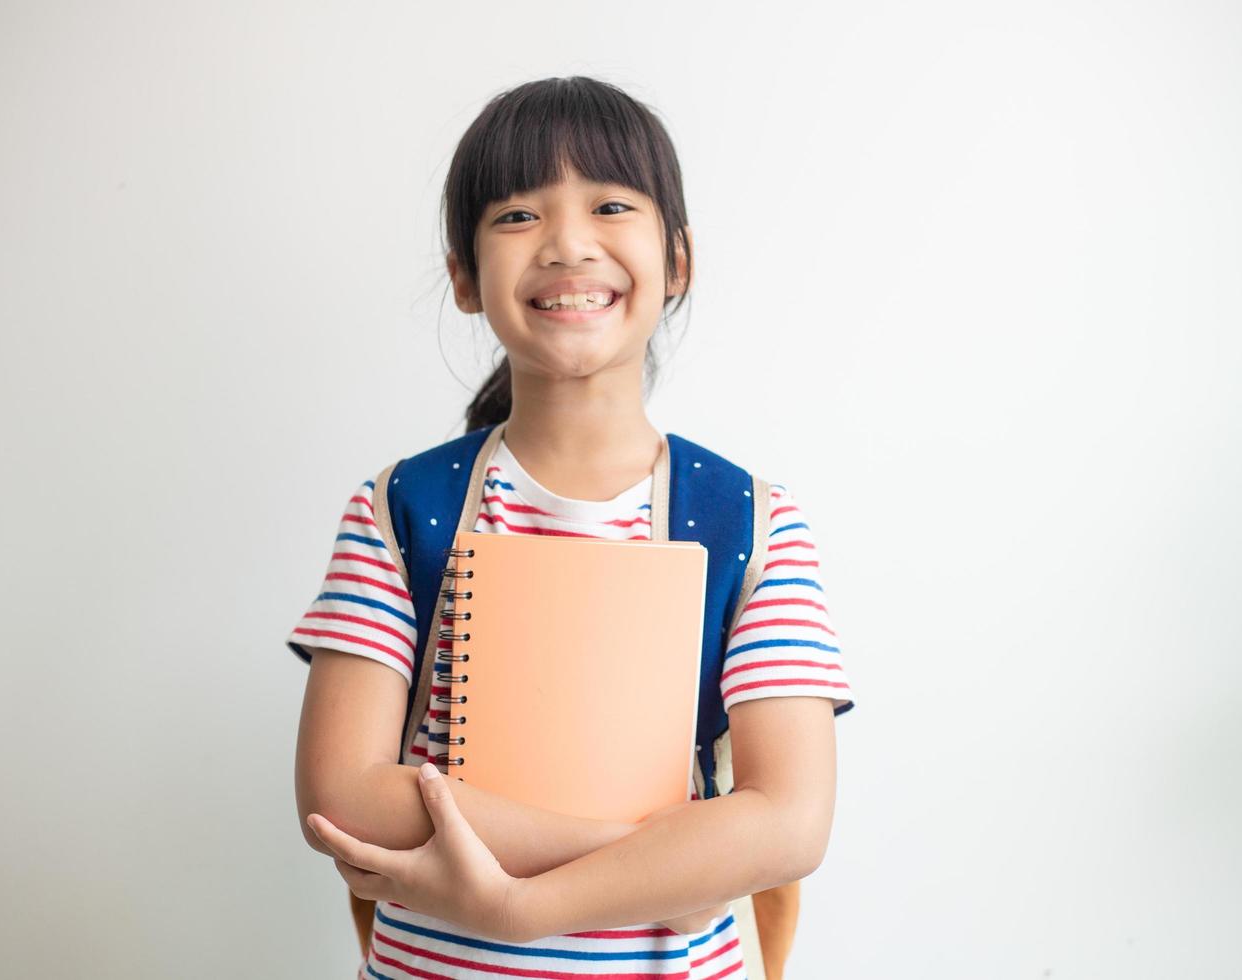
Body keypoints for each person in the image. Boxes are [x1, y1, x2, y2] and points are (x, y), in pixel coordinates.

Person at [287, 75, 855, 979]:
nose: (567, 242)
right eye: (516, 215)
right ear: (465, 278)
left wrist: (520, 905)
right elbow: (343, 795)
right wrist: (650, 850)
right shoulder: (398, 511)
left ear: (678, 263)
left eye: (611, 204)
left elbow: (788, 822)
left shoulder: (752, 522)